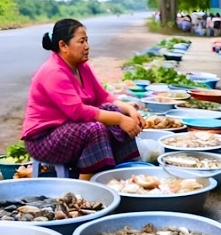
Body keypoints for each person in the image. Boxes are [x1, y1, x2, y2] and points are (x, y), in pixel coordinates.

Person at [21, 18, 141, 177]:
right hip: (43, 140)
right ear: (63, 46)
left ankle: (125, 173)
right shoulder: (53, 72)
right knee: (95, 129)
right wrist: (119, 119)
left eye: (87, 40)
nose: (87, 46)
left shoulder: (82, 67)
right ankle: (86, 189)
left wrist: (129, 110)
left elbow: (102, 97)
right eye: (81, 41)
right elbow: (78, 112)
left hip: (69, 128)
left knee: (115, 111)